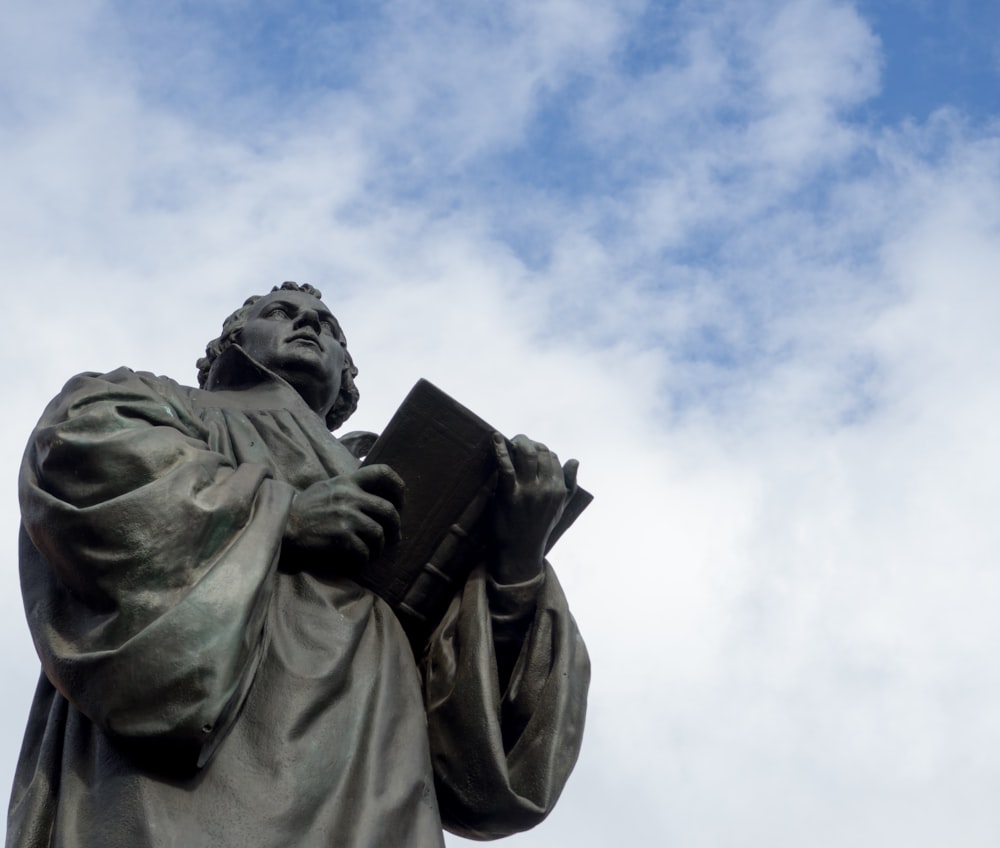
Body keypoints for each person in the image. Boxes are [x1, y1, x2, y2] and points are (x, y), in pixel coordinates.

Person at [8, 282, 590, 848]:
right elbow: (81, 455)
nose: (310, 324)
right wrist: (282, 515)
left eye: (330, 328)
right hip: (206, 733)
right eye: (281, 312)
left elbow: (478, 752)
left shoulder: (396, 480)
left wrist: (515, 561)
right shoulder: (159, 402)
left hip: (370, 747)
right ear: (231, 344)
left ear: (345, 380)